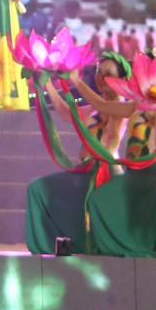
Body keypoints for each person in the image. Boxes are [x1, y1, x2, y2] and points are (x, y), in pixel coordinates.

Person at [23, 52, 131, 255]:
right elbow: (66, 113)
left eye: (108, 73)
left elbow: (111, 140)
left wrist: (76, 81)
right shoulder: (95, 107)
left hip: (105, 173)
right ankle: (55, 246)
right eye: (99, 72)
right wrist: (46, 84)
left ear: (122, 79)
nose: (101, 78)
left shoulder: (122, 107)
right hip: (86, 171)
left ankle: (76, 244)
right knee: (38, 189)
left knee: (47, 191)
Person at [69, 66, 156, 257]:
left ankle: (136, 249)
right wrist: (77, 82)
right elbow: (101, 105)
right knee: (97, 199)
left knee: (140, 221)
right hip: (135, 172)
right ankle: (119, 247)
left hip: (154, 171)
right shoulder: (134, 106)